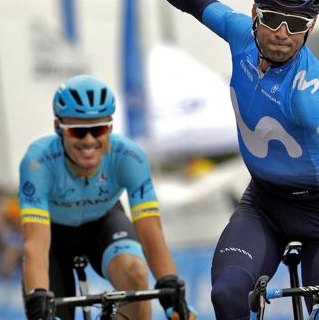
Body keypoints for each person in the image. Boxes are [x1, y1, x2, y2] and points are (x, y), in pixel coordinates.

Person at [117, 0, 319, 320]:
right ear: (253, 15)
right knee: (227, 295)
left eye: (295, 24)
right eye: (272, 18)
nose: (282, 32)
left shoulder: (312, 93)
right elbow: (196, 0)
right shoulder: (240, 37)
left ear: (309, 28)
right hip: (264, 203)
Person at [19, 75, 193, 320]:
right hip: (53, 236)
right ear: (59, 129)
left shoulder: (129, 157)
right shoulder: (38, 162)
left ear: (110, 127)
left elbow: (150, 231)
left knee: (136, 274)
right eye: (78, 132)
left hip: (104, 222)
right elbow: (34, 244)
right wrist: (37, 297)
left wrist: (169, 283)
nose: (89, 140)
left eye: (98, 129)